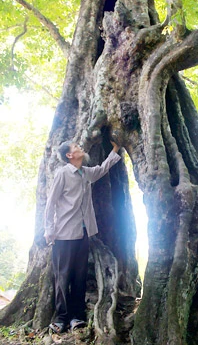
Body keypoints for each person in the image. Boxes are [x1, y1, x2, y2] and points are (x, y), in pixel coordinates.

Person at [44, 140, 121, 333]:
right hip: (63, 234)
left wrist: (116, 149)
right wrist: (49, 230)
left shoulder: (85, 172)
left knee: (79, 277)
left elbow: (103, 169)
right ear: (70, 155)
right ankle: (61, 318)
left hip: (83, 233)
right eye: (76, 147)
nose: (80, 148)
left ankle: (76, 317)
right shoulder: (63, 174)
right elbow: (51, 203)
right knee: (62, 278)